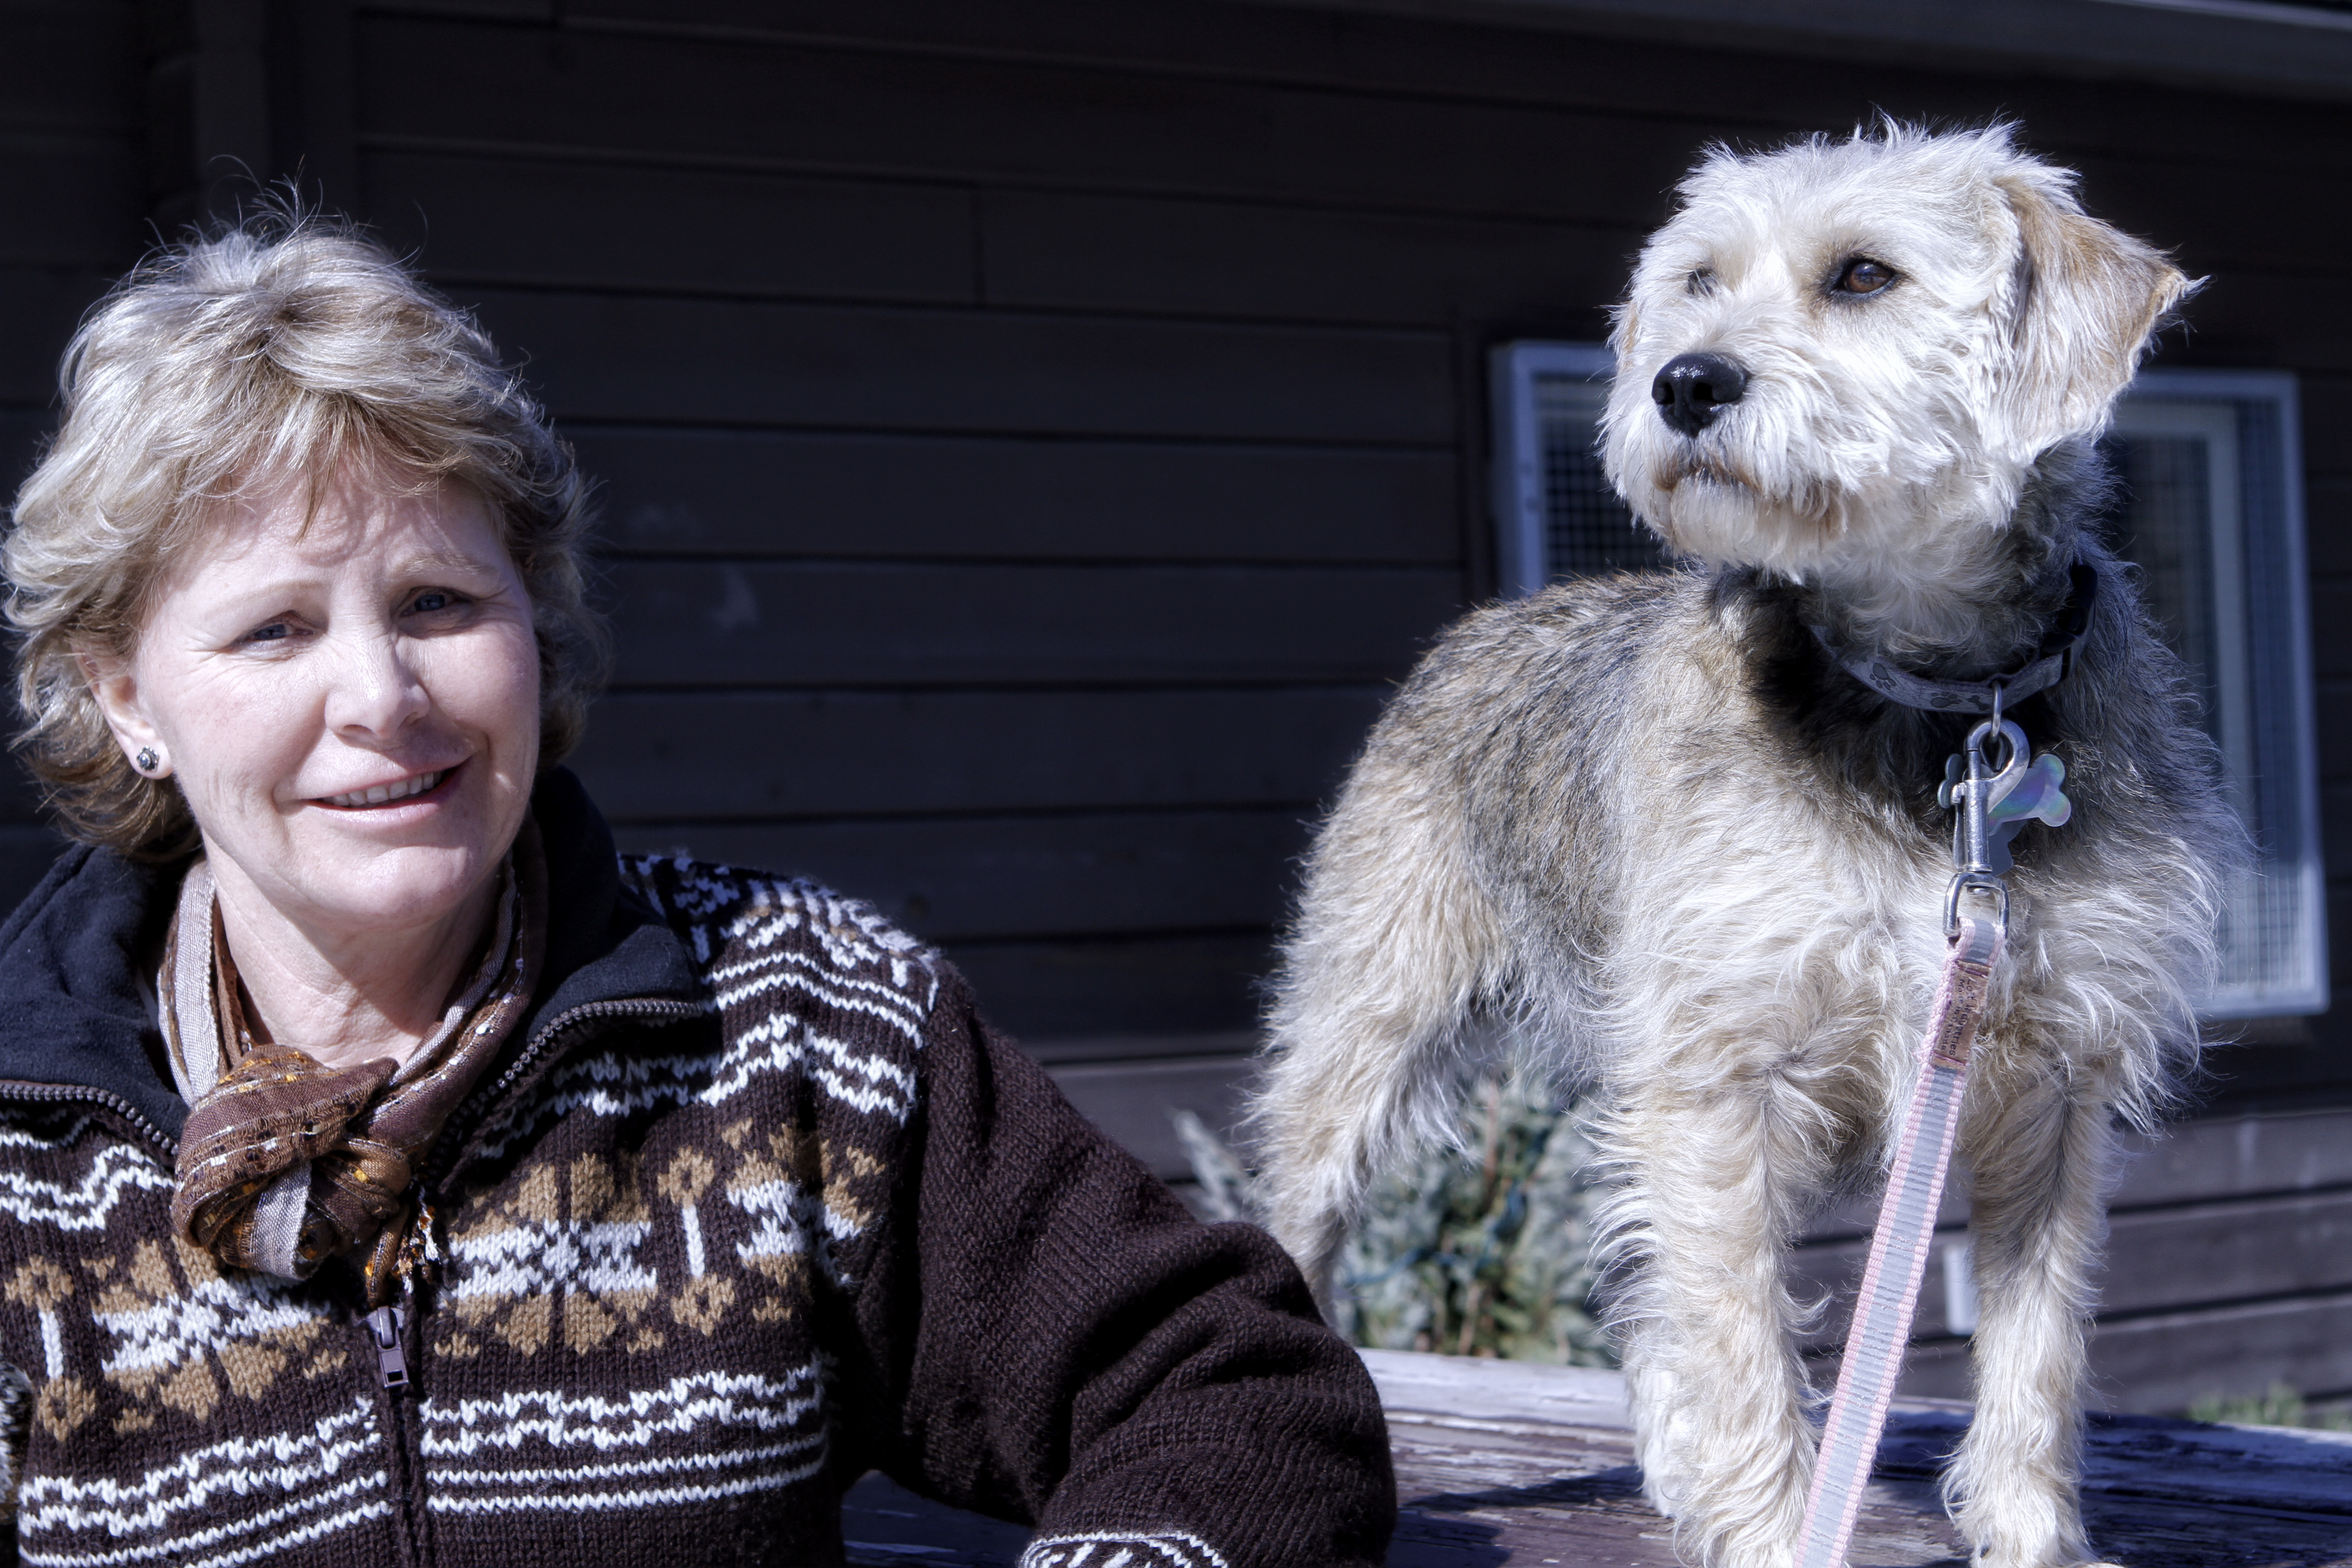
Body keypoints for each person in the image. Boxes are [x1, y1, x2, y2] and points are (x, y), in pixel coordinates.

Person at [0, 212, 1394, 1568]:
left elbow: (1229, 1386)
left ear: (532, 614)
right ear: (127, 698)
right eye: (275, 628)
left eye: (438, 602)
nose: (382, 694)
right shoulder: (22, 1167)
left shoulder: (794, 1023)